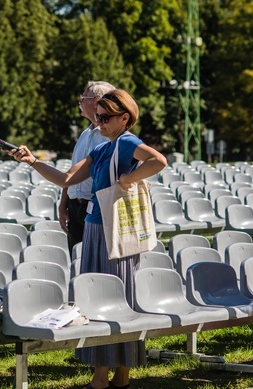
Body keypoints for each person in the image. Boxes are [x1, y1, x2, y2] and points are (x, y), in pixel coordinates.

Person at [10, 89, 166, 389]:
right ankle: (118, 376)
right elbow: (66, 179)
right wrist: (31, 161)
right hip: (99, 227)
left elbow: (158, 160)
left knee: (109, 299)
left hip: (111, 230)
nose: (100, 123)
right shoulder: (103, 147)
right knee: (105, 299)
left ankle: (103, 378)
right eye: (98, 117)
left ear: (125, 117)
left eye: (106, 117)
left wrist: (129, 179)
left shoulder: (126, 142)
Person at [58, 81, 115, 254]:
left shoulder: (111, 136)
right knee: (77, 261)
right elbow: (72, 172)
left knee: (95, 263)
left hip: (96, 209)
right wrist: (63, 205)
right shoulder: (85, 133)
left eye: (84, 98)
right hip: (75, 209)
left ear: (98, 101)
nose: (80, 101)